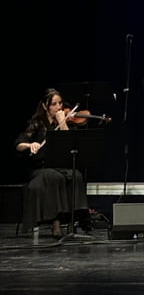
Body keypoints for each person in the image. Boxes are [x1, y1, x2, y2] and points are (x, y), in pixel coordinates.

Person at [14, 88, 91, 238]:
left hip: (59, 167)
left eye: (60, 103)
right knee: (54, 177)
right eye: (54, 104)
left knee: (77, 175)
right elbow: (19, 143)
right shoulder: (37, 123)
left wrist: (63, 124)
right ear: (45, 106)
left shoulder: (64, 122)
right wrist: (30, 145)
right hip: (39, 168)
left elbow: (71, 145)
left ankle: (77, 220)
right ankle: (55, 223)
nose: (58, 107)